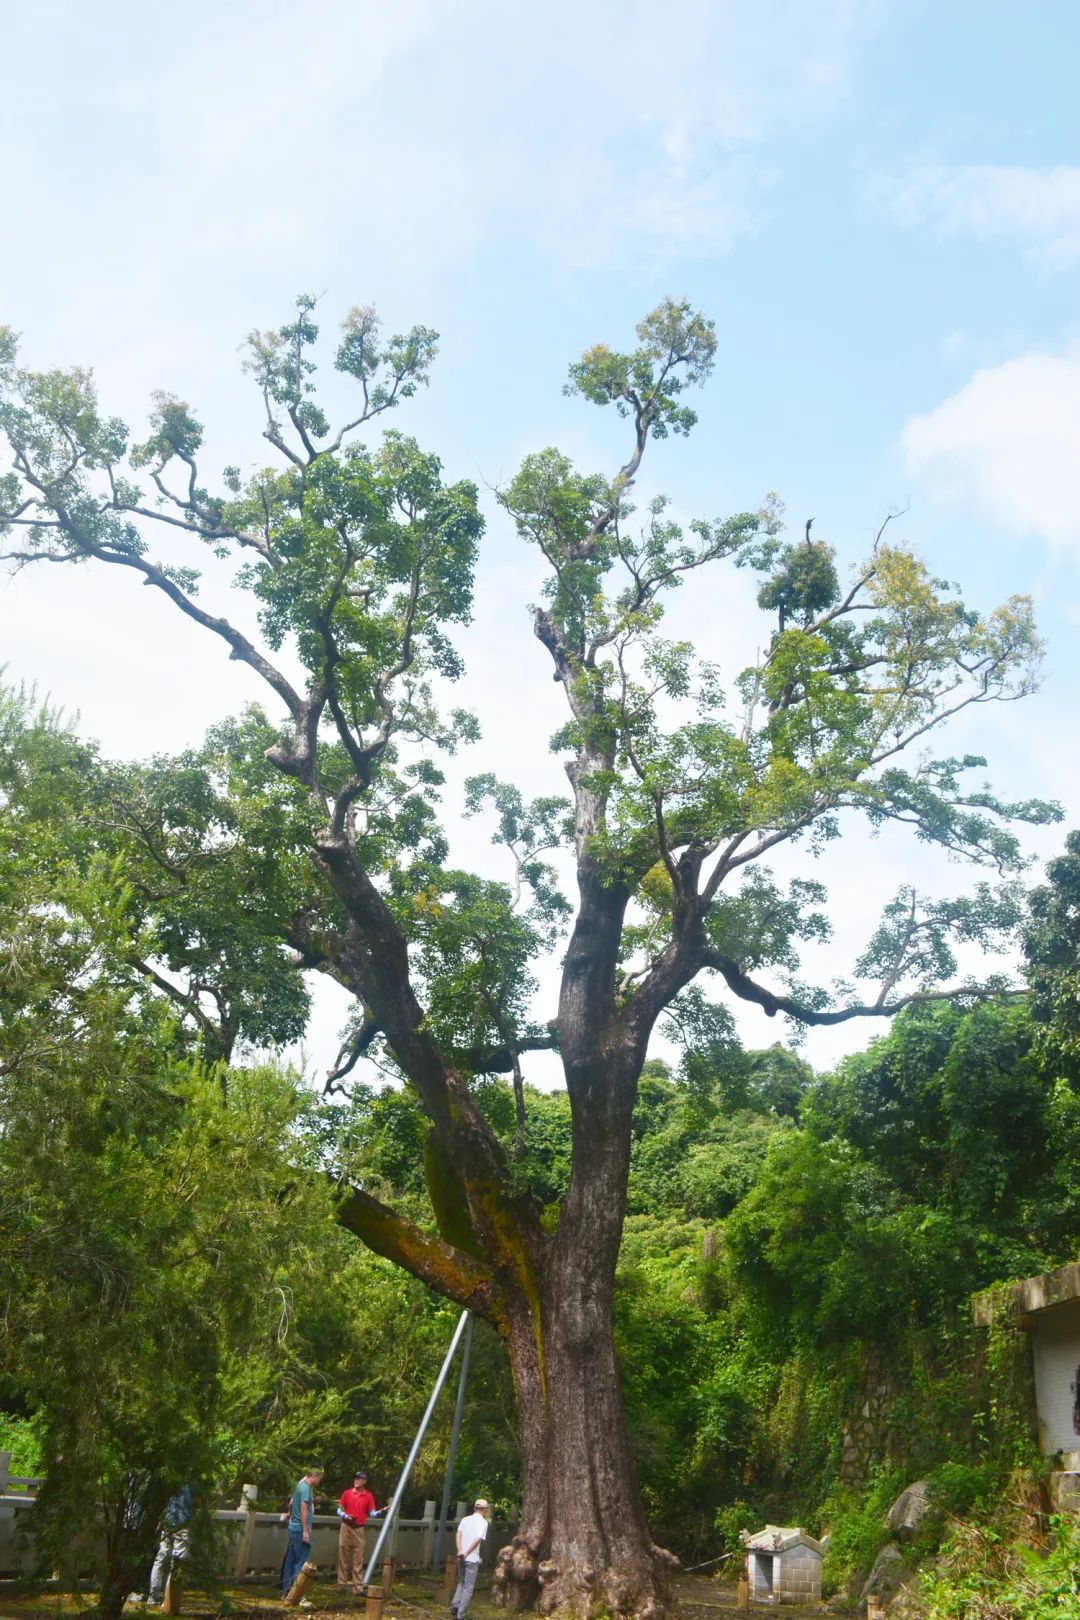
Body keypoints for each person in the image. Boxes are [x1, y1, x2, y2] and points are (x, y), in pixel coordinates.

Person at [146, 1484, 194, 1608]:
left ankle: (153, 1598)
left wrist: (161, 1521)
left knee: (161, 1558)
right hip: (183, 1523)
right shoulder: (193, 1480)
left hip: (168, 1522)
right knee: (177, 1563)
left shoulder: (173, 1477)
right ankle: (170, 1602)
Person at [281, 1466, 323, 1599]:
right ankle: (295, 1593)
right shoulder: (305, 1488)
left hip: (294, 1526)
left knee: (290, 1559)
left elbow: (292, 1504)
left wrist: (290, 1515)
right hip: (299, 1528)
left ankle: (286, 1591)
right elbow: (303, 1507)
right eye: (319, 1478)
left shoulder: (299, 1486)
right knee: (300, 1560)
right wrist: (305, 1530)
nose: (319, 1481)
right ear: (314, 1476)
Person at [336, 1469, 379, 1592]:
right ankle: (341, 1585)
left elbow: (372, 1512)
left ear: (364, 1481)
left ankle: (358, 1587)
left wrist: (377, 1513)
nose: (356, 1480)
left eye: (359, 1479)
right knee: (343, 1555)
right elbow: (339, 1510)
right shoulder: (347, 1493)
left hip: (359, 1528)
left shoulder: (368, 1496)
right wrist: (345, 1516)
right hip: (346, 1526)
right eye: (355, 1478)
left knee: (358, 1558)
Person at [451, 1498, 490, 1620]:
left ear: (474, 1508)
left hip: (461, 1556)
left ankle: (455, 1606)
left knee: (462, 1582)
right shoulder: (483, 1523)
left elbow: (458, 1534)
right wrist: (467, 1553)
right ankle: (460, 1615)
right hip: (472, 1558)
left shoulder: (465, 1519)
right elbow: (477, 1539)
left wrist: (460, 1551)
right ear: (485, 1510)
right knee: (468, 1586)